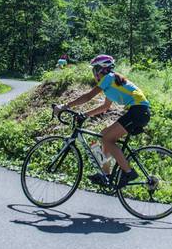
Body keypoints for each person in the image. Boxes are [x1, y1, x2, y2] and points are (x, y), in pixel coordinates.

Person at [53, 54, 151, 189]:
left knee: (107, 139)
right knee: (104, 133)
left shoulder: (108, 78)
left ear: (101, 69)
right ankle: (106, 174)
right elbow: (105, 107)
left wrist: (65, 106)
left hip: (138, 111)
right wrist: (85, 114)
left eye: (94, 69)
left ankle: (129, 172)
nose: (93, 73)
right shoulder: (111, 82)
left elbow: (88, 96)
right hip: (137, 111)